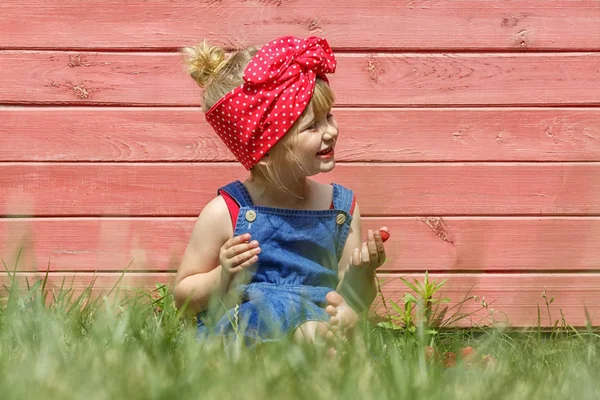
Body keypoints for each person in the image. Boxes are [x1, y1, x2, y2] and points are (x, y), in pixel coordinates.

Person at [174, 36, 388, 353]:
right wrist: (223, 274)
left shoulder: (341, 208)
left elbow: (348, 301)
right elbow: (183, 298)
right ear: (265, 150)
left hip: (313, 321)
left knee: (315, 333)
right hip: (243, 332)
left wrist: (361, 273)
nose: (330, 131)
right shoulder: (226, 212)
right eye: (311, 126)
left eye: (328, 116)